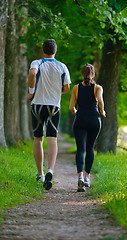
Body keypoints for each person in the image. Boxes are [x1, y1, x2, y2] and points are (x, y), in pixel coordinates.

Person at [27, 39, 71, 190]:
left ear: (43, 50)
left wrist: (31, 92)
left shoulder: (37, 63)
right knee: (52, 139)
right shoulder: (62, 66)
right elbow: (66, 88)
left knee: (38, 139)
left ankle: (40, 174)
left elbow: (33, 74)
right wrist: (57, 91)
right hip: (54, 106)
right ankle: (50, 170)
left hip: (37, 105)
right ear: (55, 51)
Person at [69, 63, 106, 192]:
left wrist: (76, 113)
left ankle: (79, 177)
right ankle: (87, 178)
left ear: (82, 74)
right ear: (93, 75)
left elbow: (71, 107)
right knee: (90, 147)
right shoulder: (97, 88)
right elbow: (100, 101)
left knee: (80, 149)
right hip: (93, 120)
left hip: (80, 120)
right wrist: (102, 111)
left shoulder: (76, 88)